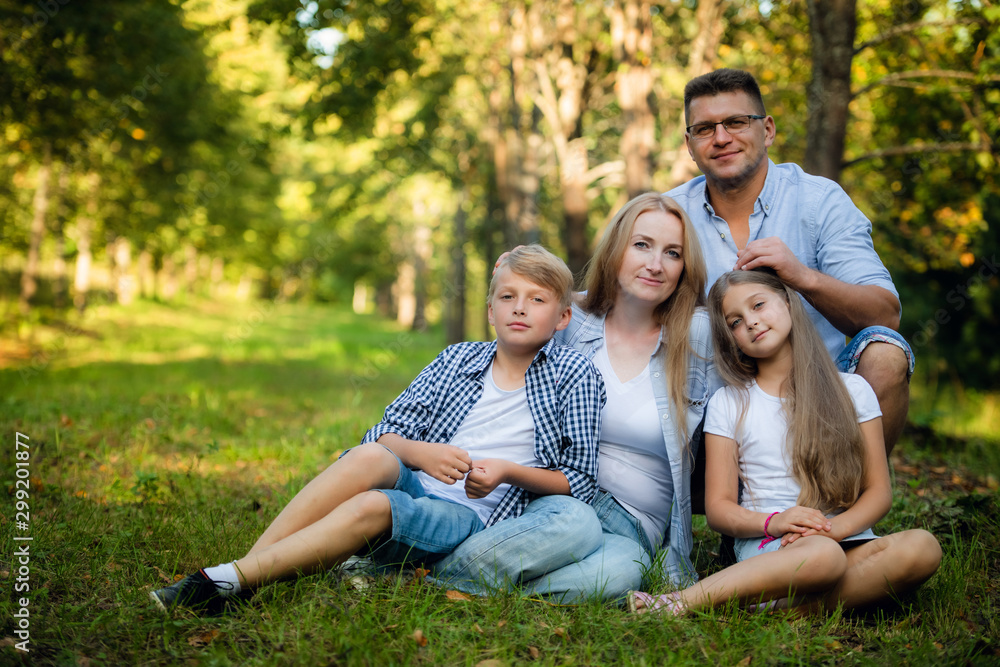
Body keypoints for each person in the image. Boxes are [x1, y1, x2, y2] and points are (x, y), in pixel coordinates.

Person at [149, 245, 606, 614]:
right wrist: (423, 454)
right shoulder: (457, 359)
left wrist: (507, 471)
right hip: (417, 479)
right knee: (370, 457)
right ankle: (238, 576)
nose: (519, 309)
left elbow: (578, 481)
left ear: (563, 317)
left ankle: (231, 580)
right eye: (508, 297)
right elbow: (383, 433)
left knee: (374, 504)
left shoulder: (575, 375)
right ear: (490, 310)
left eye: (537, 299)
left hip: (468, 515)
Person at [430, 192, 720, 601]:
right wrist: (517, 271)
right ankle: (455, 576)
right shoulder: (572, 320)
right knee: (571, 522)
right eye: (642, 245)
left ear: (684, 267)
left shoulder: (698, 336)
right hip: (552, 501)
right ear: (616, 249)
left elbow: (745, 410)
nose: (656, 264)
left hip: (634, 524)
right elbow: (508, 345)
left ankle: (464, 579)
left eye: (672, 253)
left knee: (620, 573)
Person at [629, 270, 941, 615]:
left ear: (788, 302)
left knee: (922, 548)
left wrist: (831, 529)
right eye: (735, 322)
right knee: (823, 557)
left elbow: (879, 492)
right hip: (774, 543)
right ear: (730, 338)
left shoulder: (853, 390)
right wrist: (774, 522)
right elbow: (718, 510)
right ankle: (681, 602)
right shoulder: (730, 402)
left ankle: (787, 608)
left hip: (844, 537)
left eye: (759, 305)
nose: (751, 322)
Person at [667, 68, 912, 454]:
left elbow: (885, 316)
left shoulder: (819, 201)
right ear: (689, 143)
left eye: (735, 122)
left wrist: (801, 276)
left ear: (767, 130)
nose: (721, 138)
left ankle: (850, 505)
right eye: (704, 128)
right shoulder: (669, 216)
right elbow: (614, 305)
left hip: (816, 404)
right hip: (711, 411)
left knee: (886, 353)